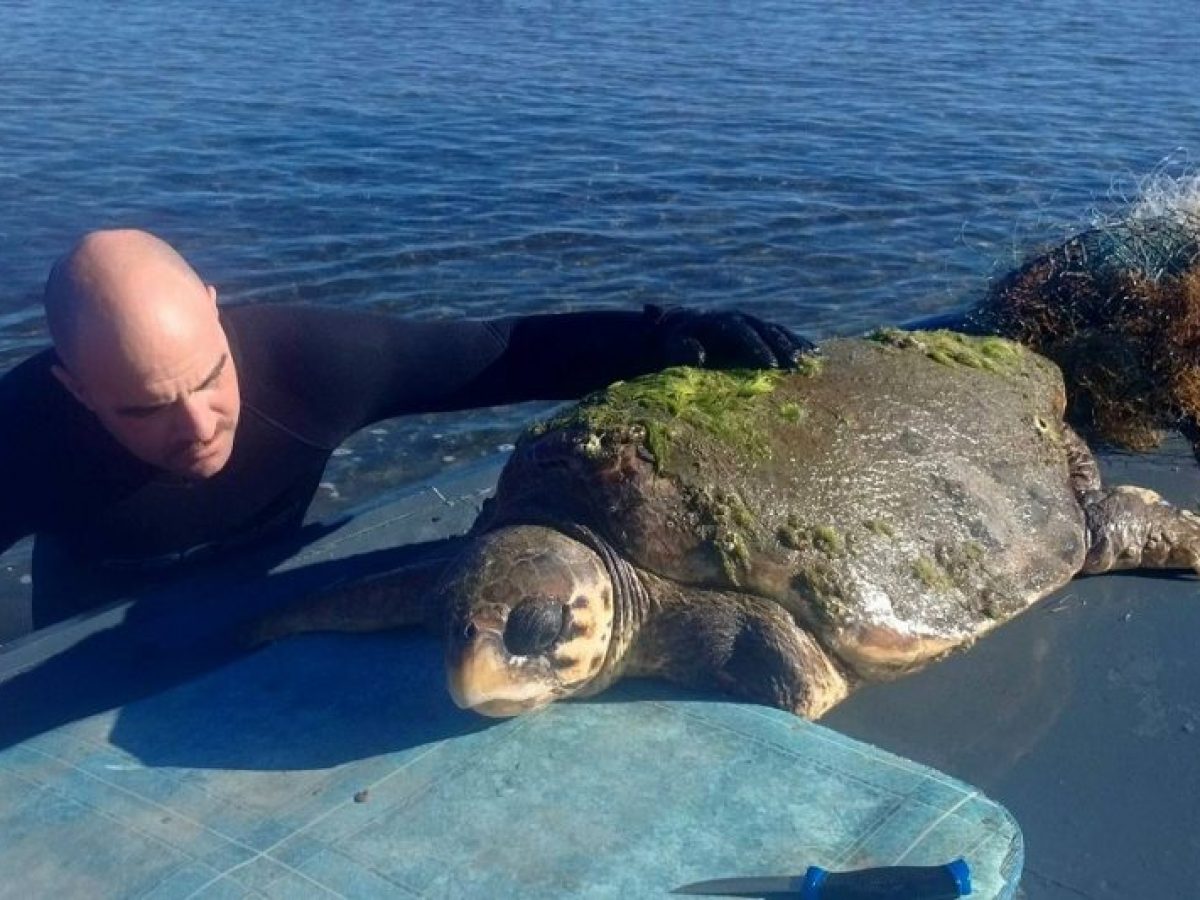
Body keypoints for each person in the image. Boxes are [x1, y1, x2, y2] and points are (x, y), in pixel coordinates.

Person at [0, 229, 812, 633]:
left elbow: (495, 353)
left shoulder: (307, 363)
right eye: (144, 409)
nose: (197, 426)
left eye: (211, 377)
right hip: (84, 627)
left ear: (216, 311)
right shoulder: (20, 433)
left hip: (262, 600)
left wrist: (664, 334)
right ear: (75, 388)